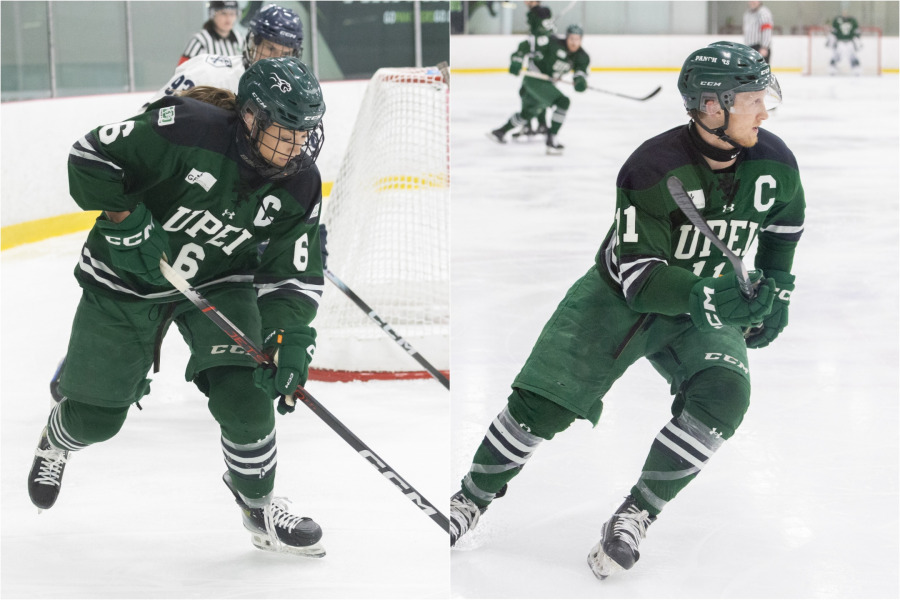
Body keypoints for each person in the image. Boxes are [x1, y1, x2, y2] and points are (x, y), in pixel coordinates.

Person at [452, 41, 805, 581]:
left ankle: (637, 511)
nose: (765, 109)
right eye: (753, 98)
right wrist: (714, 295)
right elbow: (641, 280)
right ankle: (467, 501)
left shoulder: (773, 161)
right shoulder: (652, 167)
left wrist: (778, 287)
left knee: (724, 392)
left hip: (701, 303)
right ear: (712, 106)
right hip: (618, 298)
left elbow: (784, 224)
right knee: (540, 405)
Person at [28, 57, 329, 558]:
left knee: (247, 397)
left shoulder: (300, 181)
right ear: (251, 118)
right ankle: (57, 439)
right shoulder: (186, 127)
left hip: (218, 280)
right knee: (97, 420)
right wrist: (126, 223)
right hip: (127, 279)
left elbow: (291, 273)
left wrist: (289, 336)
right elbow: (89, 157)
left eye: (305, 133)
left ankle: (259, 506)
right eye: (285, 130)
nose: (297, 146)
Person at [150, 3, 304, 106]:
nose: (277, 60)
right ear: (253, 43)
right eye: (270, 49)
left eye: (286, 53)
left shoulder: (237, 37)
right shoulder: (203, 59)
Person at [488, 24, 589, 155]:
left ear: (581, 40)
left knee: (529, 113)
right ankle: (551, 139)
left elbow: (580, 72)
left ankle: (500, 132)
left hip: (547, 84)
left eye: (577, 39)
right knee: (563, 102)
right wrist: (517, 60)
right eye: (571, 39)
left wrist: (580, 81)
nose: (574, 42)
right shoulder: (553, 43)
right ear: (567, 38)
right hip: (533, 78)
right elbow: (527, 44)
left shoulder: (582, 56)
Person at [513, 1, 555, 139]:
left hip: (541, 64)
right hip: (539, 59)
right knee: (532, 95)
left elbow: (543, 31)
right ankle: (539, 124)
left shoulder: (538, 12)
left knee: (530, 95)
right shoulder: (542, 13)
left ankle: (531, 124)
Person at [179, 1, 243, 66]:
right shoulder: (200, 41)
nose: (228, 18)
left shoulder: (239, 39)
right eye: (223, 13)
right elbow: (181, 70)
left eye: (232, 14)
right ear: (213, 14)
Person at [826, 10, 862, 76]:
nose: (845, 13)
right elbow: (833, 32)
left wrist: (858, 42)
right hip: (840, 42)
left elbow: (857, 33)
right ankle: (832, 68)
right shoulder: (837, 20)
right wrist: (830, 41)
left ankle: (856, 69)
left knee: (852, 56)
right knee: (836, 55)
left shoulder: (853, 21)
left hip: (850, 42)